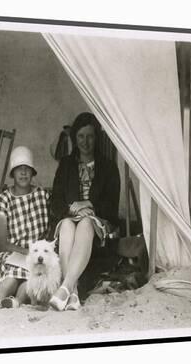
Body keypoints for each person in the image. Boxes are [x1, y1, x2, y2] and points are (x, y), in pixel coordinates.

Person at [48, 112, 120, 311]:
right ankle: (73, 294)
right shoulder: (66, 165)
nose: (85, 142)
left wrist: (88, 204)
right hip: (70, 218)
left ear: (96, 138)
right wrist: (71, 209)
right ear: (74, 138)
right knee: (67, 227)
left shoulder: (108, 167)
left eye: (90, 136)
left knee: (86, 224)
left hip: (96, 222)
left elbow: (112, 206)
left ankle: (66, 286)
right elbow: (55, 201)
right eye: (81, 136)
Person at [0, 146, 50, 309]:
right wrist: (27, 253)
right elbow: (1, 245)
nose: (23, 173)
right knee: (14, 272)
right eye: (18, 169)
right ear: (12, 173)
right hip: (10, 255)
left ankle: (16, 301)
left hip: (36, 256)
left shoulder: (43, 196)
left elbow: (50, 229)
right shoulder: (4, 200)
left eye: (27, 169)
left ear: (33, 172)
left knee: (33, 275)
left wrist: (37, 253)